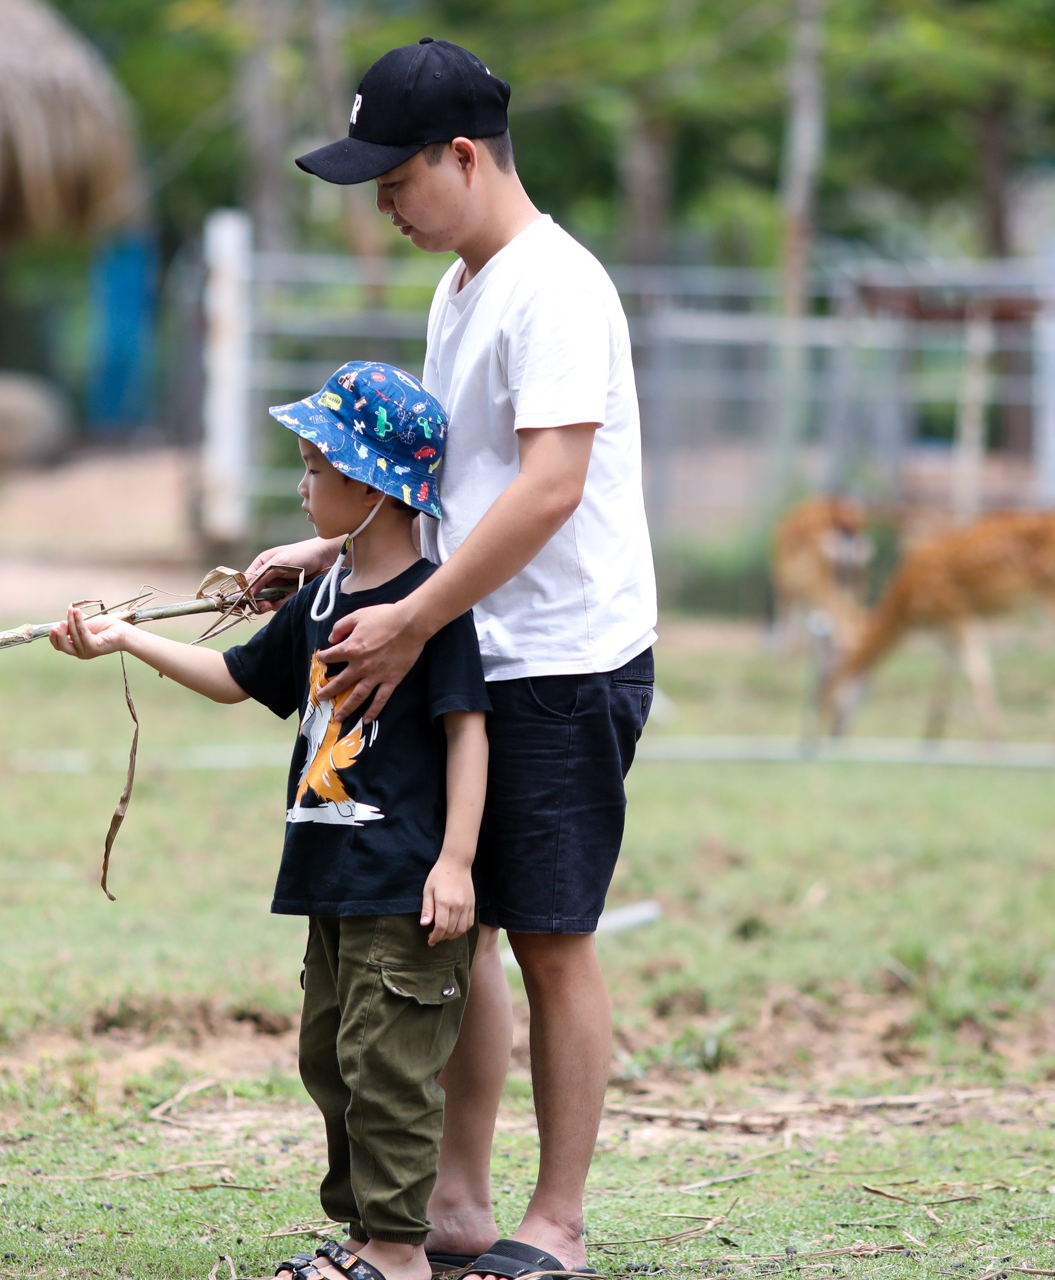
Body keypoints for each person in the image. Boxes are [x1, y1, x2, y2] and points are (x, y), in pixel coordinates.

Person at [247, 36, 657, 1280]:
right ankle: (453, 1205)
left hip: (559, 655)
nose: (385, 206)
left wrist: (415, 619)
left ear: (463, 156)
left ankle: (558, 1224)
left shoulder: (556, 287)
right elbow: (434, 488)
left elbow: (546, 490)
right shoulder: (461, 287)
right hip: (464, 638)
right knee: (449, 930)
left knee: (549, 935)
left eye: (394, 181)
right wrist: (326, 560)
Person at [51, 362, 490, 1280]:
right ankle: (368, 1235)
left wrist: (456, 863)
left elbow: (468, 735)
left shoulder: (428, 611)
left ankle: (401, 1254)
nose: (301, 485)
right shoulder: (321, 600)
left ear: (370, 488)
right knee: (332, 1061)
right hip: (330, 879)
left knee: (391, 1069)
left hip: (405, 881)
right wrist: (126, 635)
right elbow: (237, 681)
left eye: (315, 467)